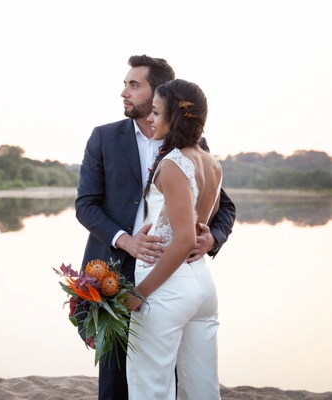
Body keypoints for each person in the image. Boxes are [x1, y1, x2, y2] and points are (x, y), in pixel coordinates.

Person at [75, 56, 235, 400]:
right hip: (117, 268)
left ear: (159, 94)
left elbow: (224, 209)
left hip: (170, 277)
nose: (124, 92)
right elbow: (85, 204)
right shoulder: (104, 138)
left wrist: (209, 238)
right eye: (125, 84)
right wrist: (126, 241)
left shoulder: (187, 152)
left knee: (155, 383)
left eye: (134, 85)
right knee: (122, 376)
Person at [124, 78, 222, 399]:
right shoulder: (211, 163)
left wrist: (140, 293)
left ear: (176, 117)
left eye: (156, 112)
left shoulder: (173, 163)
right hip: (202, 286)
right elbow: (198, 225)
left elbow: (182, 239)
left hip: (167, 290)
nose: (150, 119)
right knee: (201, 388)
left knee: (149, 385)